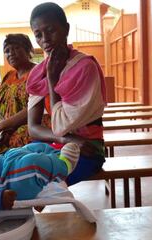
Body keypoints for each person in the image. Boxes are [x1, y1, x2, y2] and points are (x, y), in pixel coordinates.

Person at [26, 2, 107, 186]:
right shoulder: (38, 74)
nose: (45, 39)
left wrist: (53, 79)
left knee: (33, 181)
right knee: (14, 164)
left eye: (51, 30)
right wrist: (67, 139)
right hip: (58, 144)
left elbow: (61, 125)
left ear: (66, 29)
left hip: (87, 151)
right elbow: (33, 128)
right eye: (38, 35)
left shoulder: (84, 68)